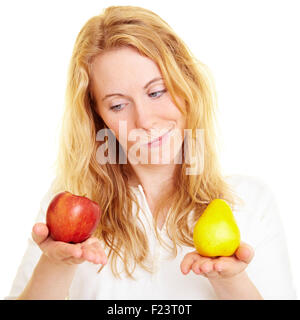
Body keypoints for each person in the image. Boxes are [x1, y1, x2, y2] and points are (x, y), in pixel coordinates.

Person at [7, 5, 296, 300]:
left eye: (156, 92)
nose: (144, 120)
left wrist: (230, 281)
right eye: (118, 105)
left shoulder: (251, 202)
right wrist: (57, 263)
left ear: (186, 85)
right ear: (98, 118)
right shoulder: (65, 209)